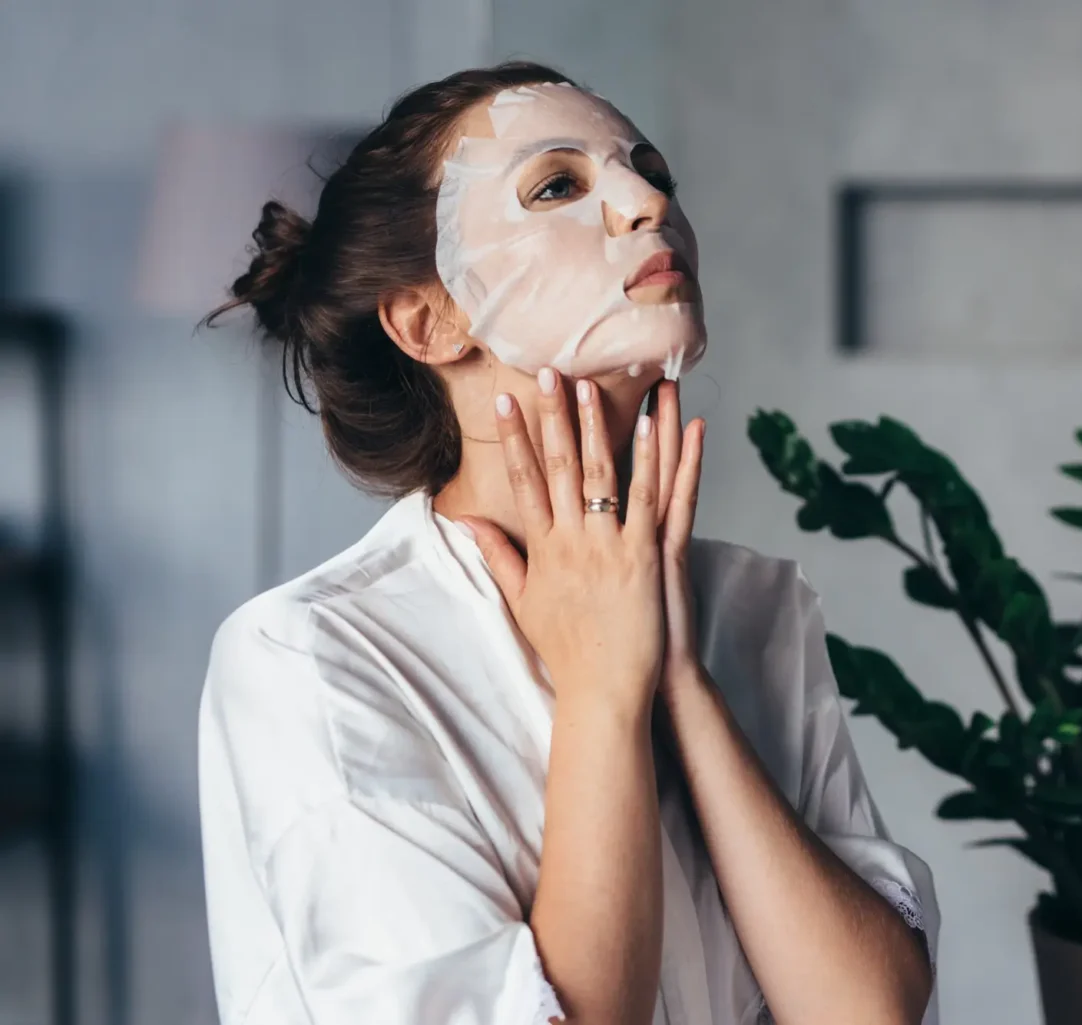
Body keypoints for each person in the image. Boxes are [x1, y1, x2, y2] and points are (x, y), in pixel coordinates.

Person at [198, 60, 938, 1025]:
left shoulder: (755, 609)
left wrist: (675, 672)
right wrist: (600, 689)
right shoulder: (309, 659)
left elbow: (871, 1013)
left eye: (652, 171)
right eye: (558, 185)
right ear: (428, 320)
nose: (648, 204)